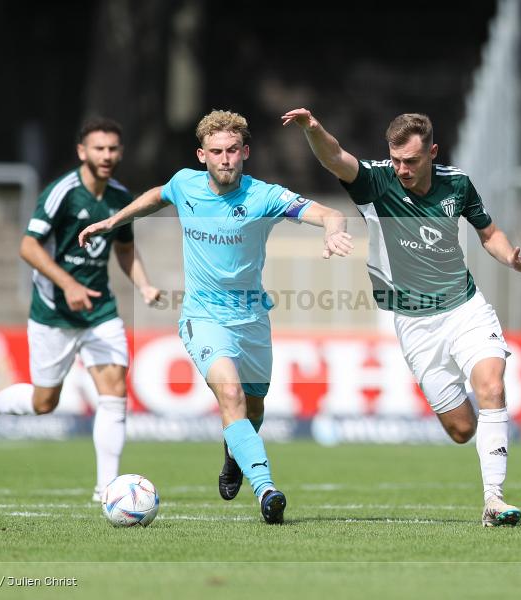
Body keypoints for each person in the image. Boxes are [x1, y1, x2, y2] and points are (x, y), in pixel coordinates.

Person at [78, 109, 353, 524]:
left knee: (253, 412)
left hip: (253, 319)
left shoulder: (265, 196)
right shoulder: (185, 183)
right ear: (201, 155)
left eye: (232, 151)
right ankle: (267, 492)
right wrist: (115, 220)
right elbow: (157, 195)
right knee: (231, 397)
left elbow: (329, 213)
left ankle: (233, 455)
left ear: (245, 152)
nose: (225, 159)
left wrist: (333, 229)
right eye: (216, 152)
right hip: (203, 317)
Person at [282, 108, 521, 527]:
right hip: (414, 322)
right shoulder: (376, 181)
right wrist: (314, 130)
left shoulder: (457, 184)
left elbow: (489, 233)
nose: (402, 169)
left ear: (432, 153)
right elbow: (336, 158)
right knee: (461, 429)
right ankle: (486, 432)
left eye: (412, 161)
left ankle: (494, 499)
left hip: (464, 306)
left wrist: (511, 257)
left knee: (492, 384)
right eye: (397, 159)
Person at [0, 117, 161, 503]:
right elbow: (29, 247)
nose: (106, 155)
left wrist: (144, 284)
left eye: (112, 148)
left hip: (100, 310)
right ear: (82, 152)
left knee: (114, 389)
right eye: (98, 148)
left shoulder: (120, 196)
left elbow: (123, 248)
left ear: (120, 152)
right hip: (54, 311)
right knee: (44, 403)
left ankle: (107, 489)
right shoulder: (63, 193)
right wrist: (67, 284)